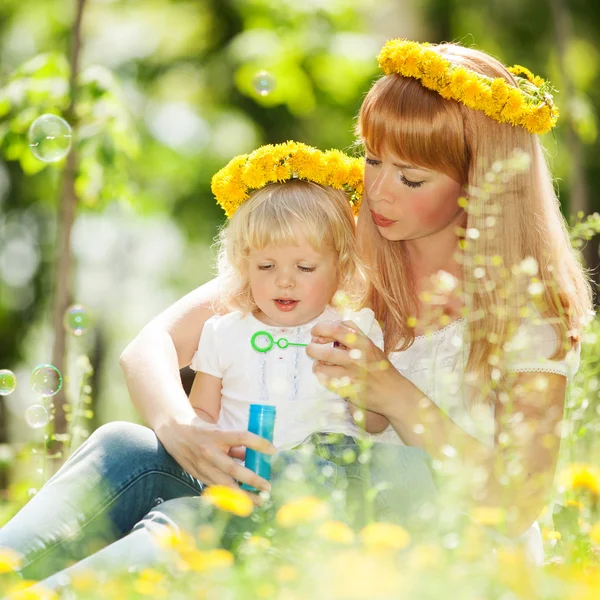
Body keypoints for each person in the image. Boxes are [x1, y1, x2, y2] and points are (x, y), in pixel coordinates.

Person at [0, 37, 591, 587]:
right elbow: (151, 345)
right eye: (374, 160)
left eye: (410, 177)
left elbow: (520, 504)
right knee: (127, 447)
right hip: (298, 498)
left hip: (450, 547)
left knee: (323, 462)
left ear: (483, 185)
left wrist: (392, 393)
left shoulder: (523, 314)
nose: (379, 191)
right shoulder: (342, 258)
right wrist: (183, 429)